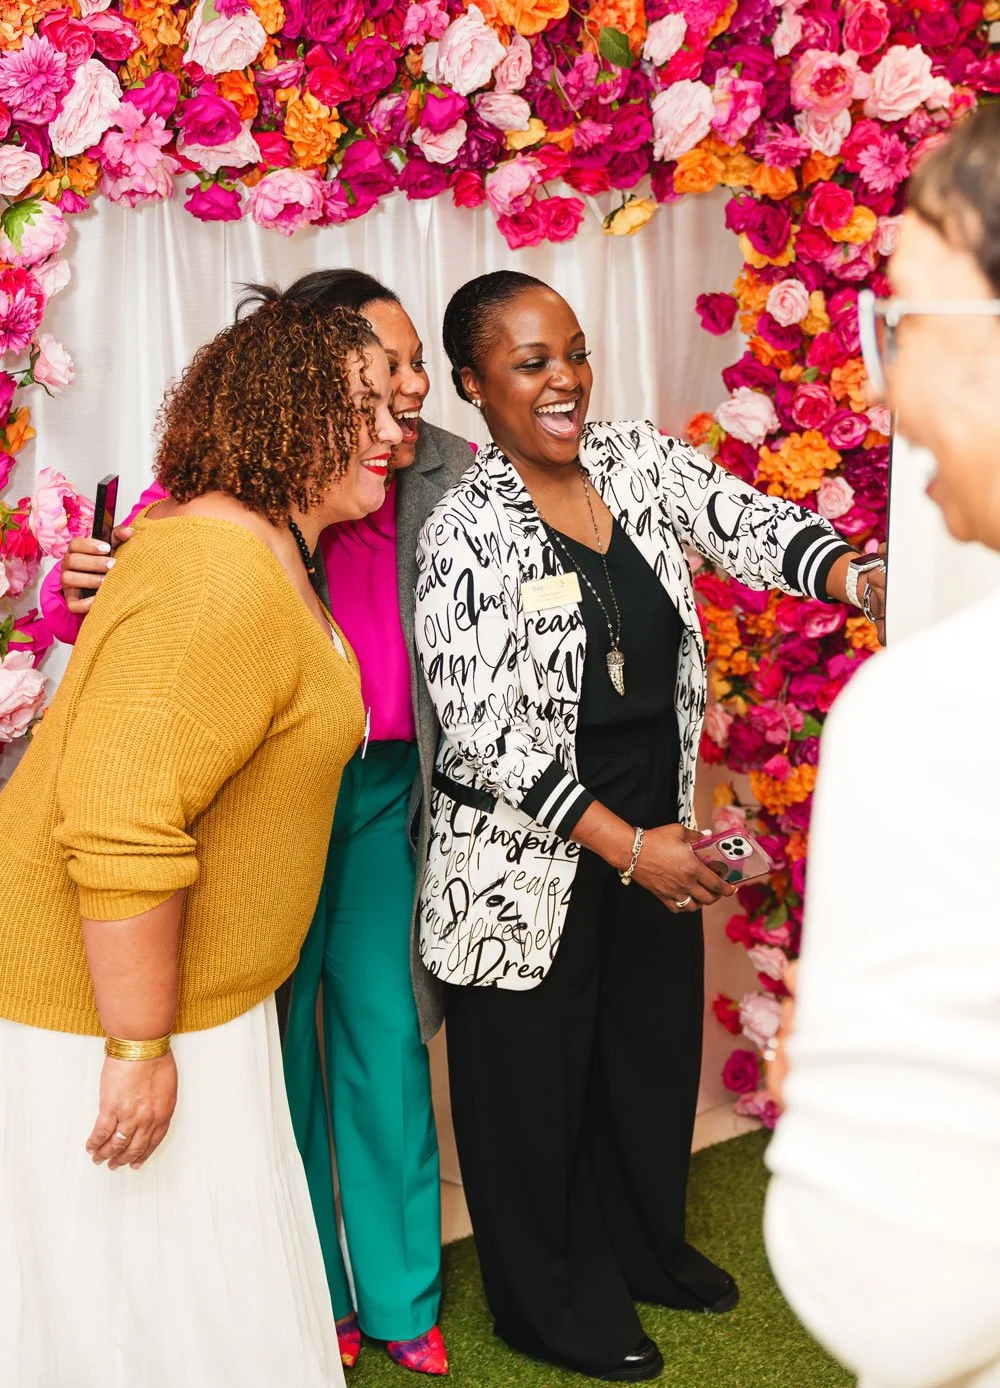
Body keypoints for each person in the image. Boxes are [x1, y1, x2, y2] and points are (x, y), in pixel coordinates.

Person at [411, 270, 887, 1383]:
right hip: (527, 859)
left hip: (653, 824)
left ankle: (643, 1249)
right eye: (531, 363)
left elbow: (746, 523)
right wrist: (629, 847)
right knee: (531, 1092)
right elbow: (484, 738)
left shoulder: (635, 461)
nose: (565, 377)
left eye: (571, 350)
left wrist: (857, 574)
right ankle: (551, 1304)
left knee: (643, 1056)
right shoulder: (463, 530)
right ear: (474, 385)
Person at [39, 269, 474, 1376]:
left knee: (377, 1031)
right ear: (300, 404)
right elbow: (127, 723)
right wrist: (139, 1043)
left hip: (373, 791)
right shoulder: (217, 527)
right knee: (263, 1053)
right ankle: (309, 1290)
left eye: (407, 374)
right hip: (240, 822)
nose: (405, 406)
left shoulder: (405, 490)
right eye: (377, 384)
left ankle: (393, 1295)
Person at [764, 106, 1000, 1388]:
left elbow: (895, 1292)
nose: (882, 390)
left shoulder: (934, 712)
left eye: (901, 326)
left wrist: (845, 1096)